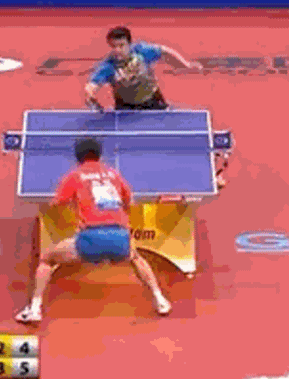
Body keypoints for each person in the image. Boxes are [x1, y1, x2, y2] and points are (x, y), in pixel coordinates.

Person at [15, 138, 172, 323]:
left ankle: (34, 309)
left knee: (47, 260)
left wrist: (75, 206)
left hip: (90, 239)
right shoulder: (114, 174)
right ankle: (160, 300)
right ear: (99, 155)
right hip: (120, 238)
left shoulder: (74, 176)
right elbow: (130, 202)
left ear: (77, 156)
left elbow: (56, 204)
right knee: (136, 258)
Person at [85, 26, 170, 111]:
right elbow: (92, 86)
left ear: (129, 44)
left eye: (121, 45)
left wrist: (179, 67)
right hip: (126, 107)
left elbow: (165, 52)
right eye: (114, 46)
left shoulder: (141, 52)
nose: (117, 50)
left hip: (152, 101)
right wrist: (90, 96)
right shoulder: (108, 66)